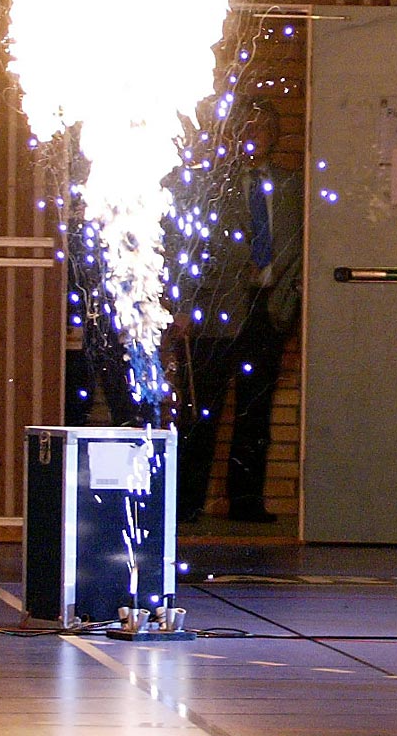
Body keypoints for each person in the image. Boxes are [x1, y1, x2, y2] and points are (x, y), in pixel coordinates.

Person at [170, 98, 304, 523]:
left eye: (263, 126)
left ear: (275, 136)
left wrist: (293, 301)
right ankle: (186, 501)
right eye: (246, 125)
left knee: (255, 411)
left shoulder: (291, 185)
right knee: (201, 410)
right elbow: (186, 247)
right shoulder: (213, 184)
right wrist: (182, 306)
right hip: (215, 310)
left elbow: (301, 247)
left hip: (269, 310)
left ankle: (245, 503)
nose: (254, 133)